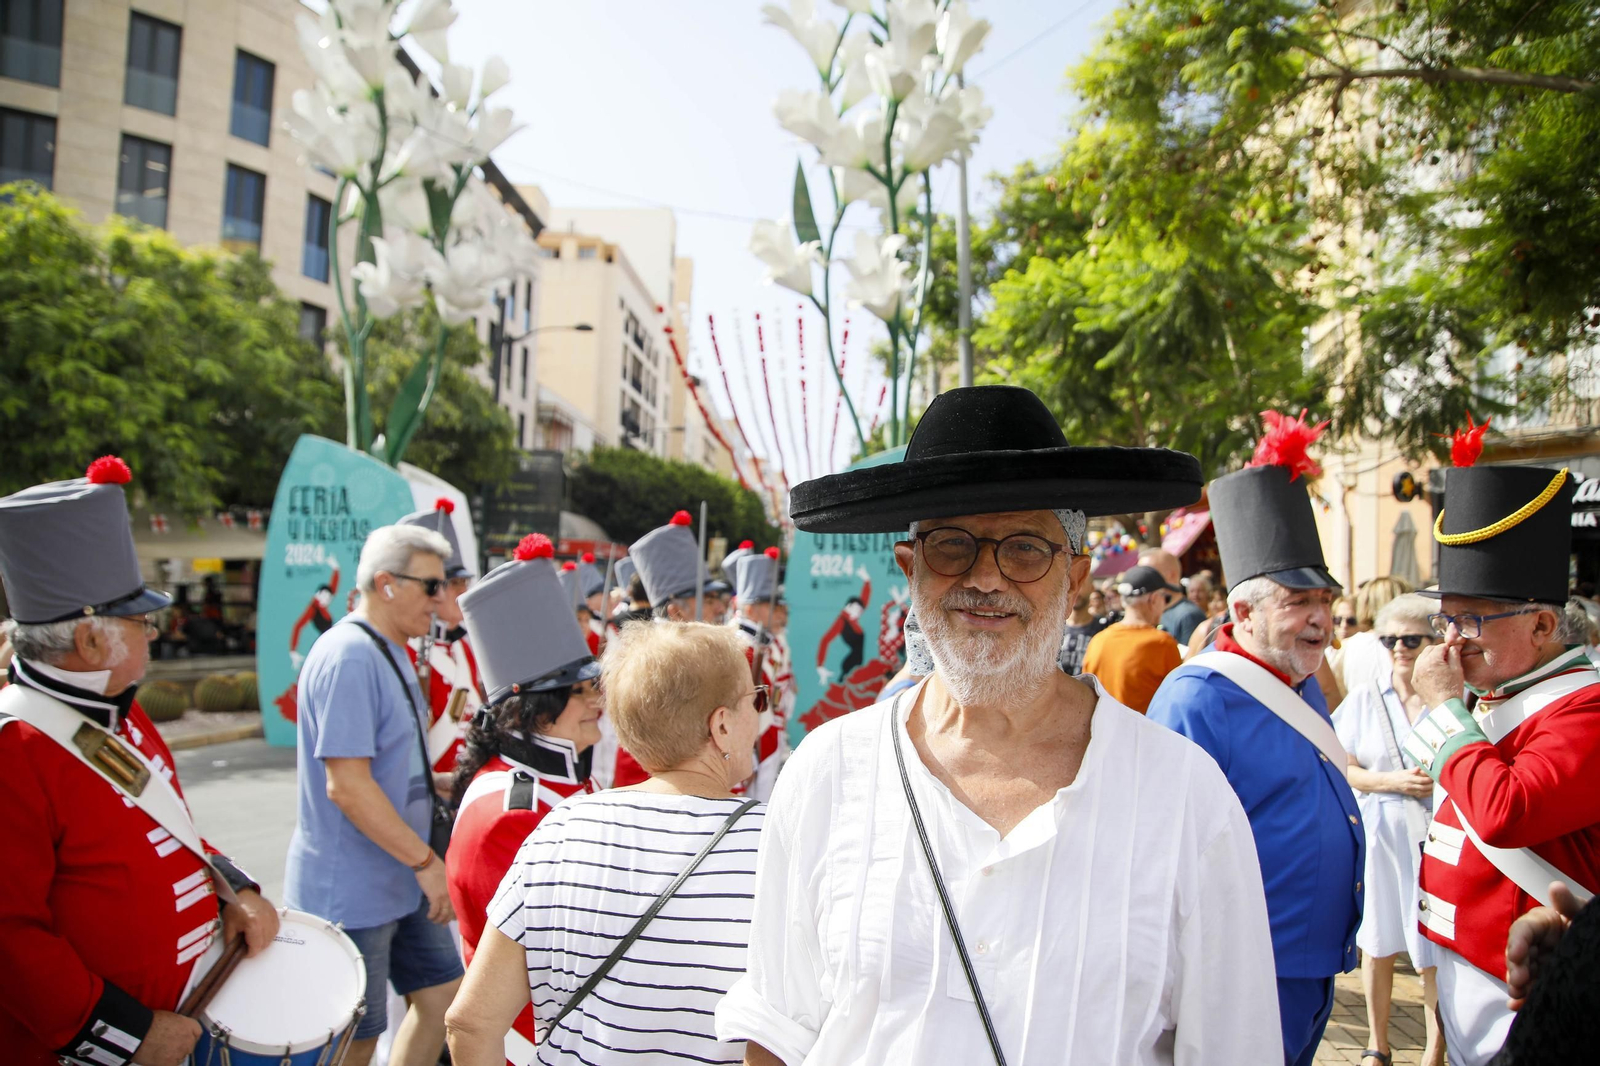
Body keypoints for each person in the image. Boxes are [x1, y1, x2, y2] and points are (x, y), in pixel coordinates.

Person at [717, 386, 1279, 1064]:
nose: (986, 577)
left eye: (1024, 549)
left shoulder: (1186, 797)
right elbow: (777, 1030)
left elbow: (1233, 1045)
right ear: (911, 570)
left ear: (1074, 579)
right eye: (953, 545)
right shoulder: (826, 772)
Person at [0, 456, 278, 1066]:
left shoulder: (116, 708)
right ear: (90, 639)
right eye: (141, 621)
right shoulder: (13, 750)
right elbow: (9, 936)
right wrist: (124, 1032)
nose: (153, 634)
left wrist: (233, 889)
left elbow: (169, 828)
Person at [446, 621, 766, 1065]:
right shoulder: (779, 845)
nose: (762, 716)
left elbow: (471, 1022)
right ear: (722, 725)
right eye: (757, 700)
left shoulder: (558, 826)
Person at [1148, 411, 1365, 1066]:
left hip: (1313, 958)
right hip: (1244, 968)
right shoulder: (1196, 699)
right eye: (1299, 603)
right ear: (1241, 612)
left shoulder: (1300, 682)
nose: (1321, 620)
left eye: (1325, 601)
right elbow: (1158, 856)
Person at [1398, 452, 1599, 1066]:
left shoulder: (1586, 708)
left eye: (1471, 619)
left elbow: (1506, 812)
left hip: (1531, 997)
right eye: (1446, 618)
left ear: (1542, 625)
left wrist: (1438, 708)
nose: (1450, 638)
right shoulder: (1491, 699)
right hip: (1461, 977)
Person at [284, 523, 464, 1066]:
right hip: (355, 889)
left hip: (396, 879)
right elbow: (347, 786)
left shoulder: (386, 650)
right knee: (354, 1038)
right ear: (386, 584)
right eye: (432, 585)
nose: (441, 599)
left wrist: (433, 784)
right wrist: (427, 862)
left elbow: (375, 763)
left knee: (444, 1001)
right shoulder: (352, 656)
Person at [446, 533, 602, 1065]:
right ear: (537, 710)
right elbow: (539, 970)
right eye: (581, 692)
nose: (597, 701)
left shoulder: (558, 781)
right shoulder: (511, 815)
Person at [1333, 594, 1445, 1066]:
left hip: (1436, 835)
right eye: (1390, 639)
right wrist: (1388, 781)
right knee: (1377, 942)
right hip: (1381, 832)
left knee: (1434, 947)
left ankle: (1434, 1048)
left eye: (1411, 639)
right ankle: (1378, 1044)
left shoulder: (1450, 702)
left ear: (1433, 641)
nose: (1399, 648)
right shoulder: (1363, 698)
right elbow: (1343, 764)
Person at [399, 498, 482, 775]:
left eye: (464, 583)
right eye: (455, 583)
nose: (463, 592)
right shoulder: (408, 653)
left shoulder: (464, 649)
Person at [1082, 564, 1184, 712]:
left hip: (1103, 732)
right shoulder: (1162, 643)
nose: (1165, 605)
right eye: (1166, 598)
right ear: (1154, 599)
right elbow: (1177, 700)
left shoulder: (1098, 641)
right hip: (1147, 733)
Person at [729, 547, 788, 799]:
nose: (777, 612)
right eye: (768, 605)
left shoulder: (764, 641)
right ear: (750, 609)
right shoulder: (740, 643)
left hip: (767, 729)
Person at [1141, 548, 1206, 646]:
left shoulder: (1188, 615)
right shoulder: (1153, 613)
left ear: (1171, 576)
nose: (1141, 580)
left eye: (1148, 574)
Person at [1056, 585, 1109, 674]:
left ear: (1092, 588)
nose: (1075, 591)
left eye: (1081, 584)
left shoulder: (1104, 628)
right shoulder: (1053, 628)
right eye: (1070, 583)